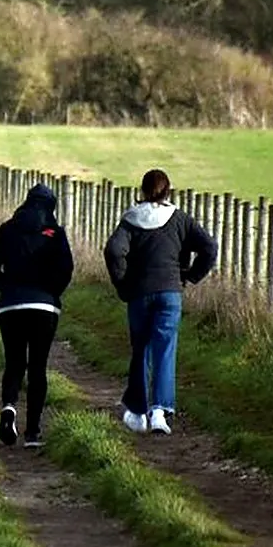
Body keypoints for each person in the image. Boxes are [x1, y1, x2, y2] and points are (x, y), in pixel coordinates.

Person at [103, 169, 217, 436]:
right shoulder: (180, 219)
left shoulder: (131, 220)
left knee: (140, 349)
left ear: (141, 191)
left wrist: (123, 284)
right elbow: (210, 247)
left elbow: (113, 251)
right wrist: (191, 276)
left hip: (140, 293)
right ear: (169, 191)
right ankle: (159, 411)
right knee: (165, 349)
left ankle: (138, 412)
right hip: (170, 293)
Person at [0, 183, 75, 448]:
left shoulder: (7, 228)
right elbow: (66, 269)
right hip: (44, 307)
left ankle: (9, 407)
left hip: (10, 306)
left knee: (13, 362)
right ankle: (33, 432)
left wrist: (6, 287)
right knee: (37, 366)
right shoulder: (55, 233)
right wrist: (52, 292)